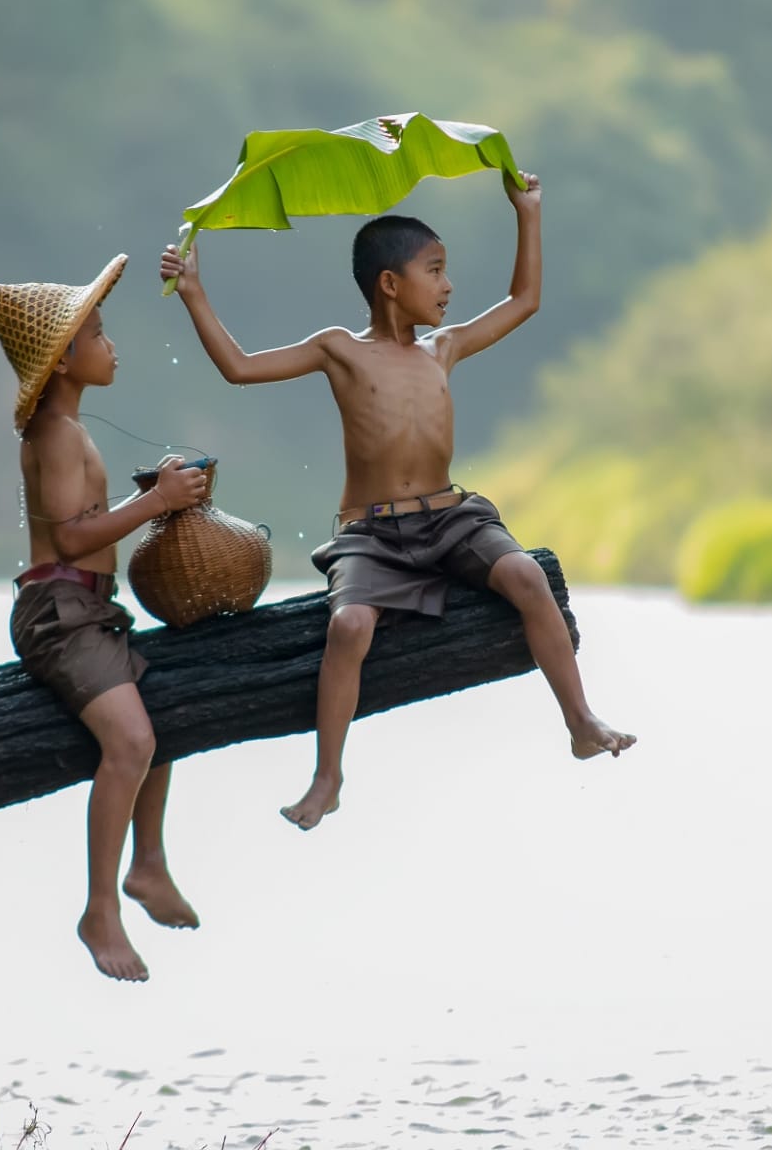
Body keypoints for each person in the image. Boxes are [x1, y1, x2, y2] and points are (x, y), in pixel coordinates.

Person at [159, 173, 635, 832]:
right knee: (350, 627)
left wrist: (528, 214)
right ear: (390, 284)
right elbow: (239, 367)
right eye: (434, 271)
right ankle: (329, 776)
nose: (447, 286)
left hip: (452, 517)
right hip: (373, 534)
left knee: (526, 574)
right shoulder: (340, 350)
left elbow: (524, 300)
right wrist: (193, 292)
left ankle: (580, 721)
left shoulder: (446, 347)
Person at [0, 257, 211, 980]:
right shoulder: (53, 432)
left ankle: (148, 862)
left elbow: (87, 522)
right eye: (100, 337)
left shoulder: (72, 430)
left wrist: (157, 495)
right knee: (132, 740)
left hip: (93, 611)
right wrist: (158, 503)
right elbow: (74, 537)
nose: (113, 349)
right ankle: (99, 908)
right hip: (60, 614)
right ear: (66, 360)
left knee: (164, 717)